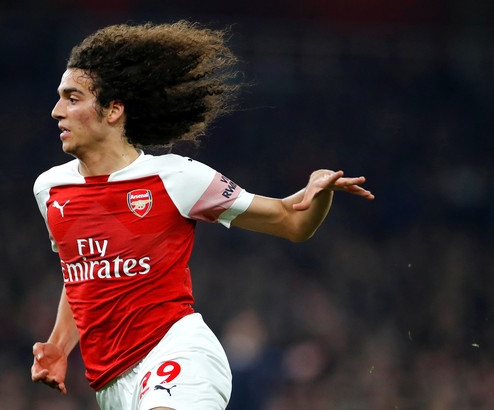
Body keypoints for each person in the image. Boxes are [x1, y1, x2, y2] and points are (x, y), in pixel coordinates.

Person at [30, 20, 374, 410]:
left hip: (178, 353)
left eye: (72, 98)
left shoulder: (177, 177)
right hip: (110, 385)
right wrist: (59, 345)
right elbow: (82, 274)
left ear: (113, 110)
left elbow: (291, 222)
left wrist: (319, 191)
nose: (57, 111)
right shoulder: (50, 189)